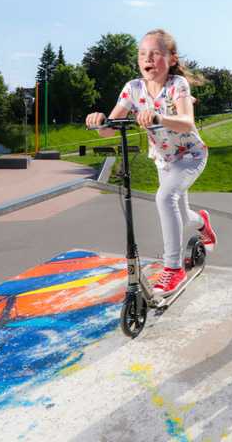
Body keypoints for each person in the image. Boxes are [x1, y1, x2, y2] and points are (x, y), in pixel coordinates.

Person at [85, 29, 217, 297]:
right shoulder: (132, 88)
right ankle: (202, 222)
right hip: (163, 160)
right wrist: (99, 121)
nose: (148, 58)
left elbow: (187, 121)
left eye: (156, 53)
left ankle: (173, 268)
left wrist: (157, 117)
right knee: (179, 213)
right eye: (143, 54)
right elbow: (110, 128)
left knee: (164, 198)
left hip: (190, 155)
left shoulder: (177, 84)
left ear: (170, 59)